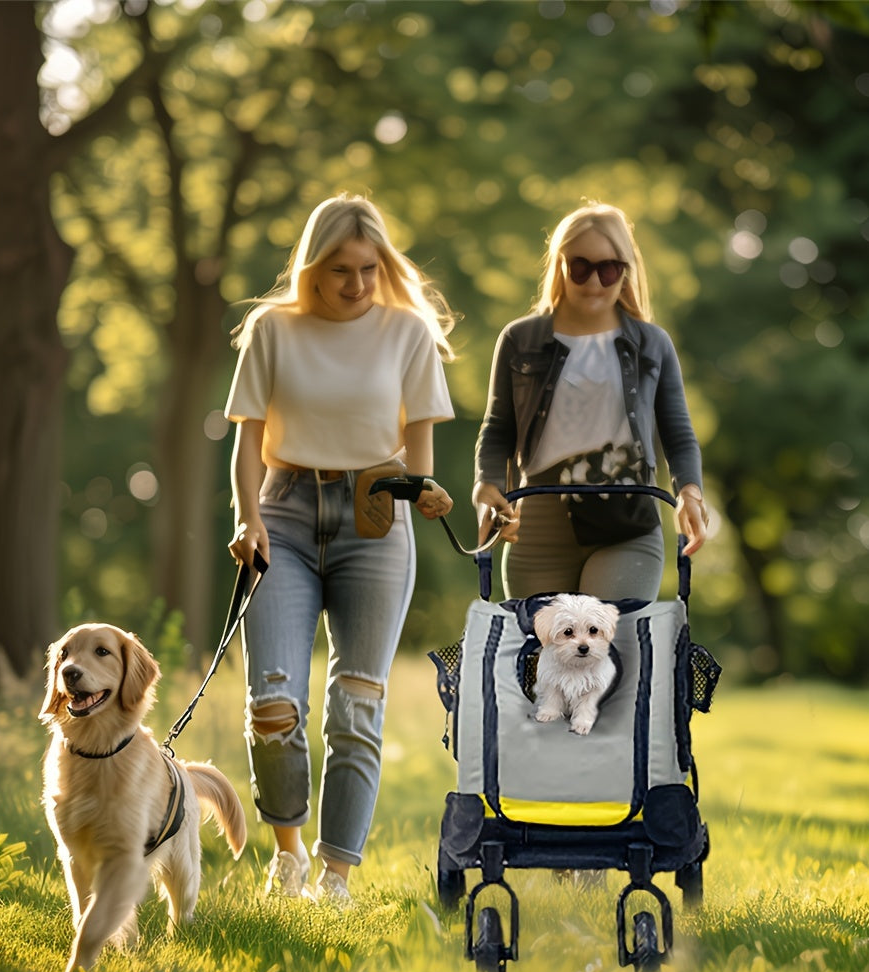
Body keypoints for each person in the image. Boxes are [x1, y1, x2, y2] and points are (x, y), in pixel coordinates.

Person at [224, 193, 456, 904]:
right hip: (283, 513)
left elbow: (418, 448)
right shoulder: (273, 330)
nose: (356, 284)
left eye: (367, 268)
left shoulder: (406, 332)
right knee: (273, 706)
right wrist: (247, 518)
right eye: (339, 270)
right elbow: (247, 443)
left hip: (375, 515)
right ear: (311, 268)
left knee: (357, 704)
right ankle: (287, 852)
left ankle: (336, 877)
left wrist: (426, 491)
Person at [473, 201, 708, 603]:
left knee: (604, 651)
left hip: (628, 519)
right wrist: (487, 488)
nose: (595, 282)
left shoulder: (653, 343)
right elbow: (498, 429)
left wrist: (690, 492)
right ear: (560, 266)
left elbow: (678, 434)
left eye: (609, 268)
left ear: (626, 271)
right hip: (540, 518)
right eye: (580, 267)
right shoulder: (519, 339)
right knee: (544, 656)